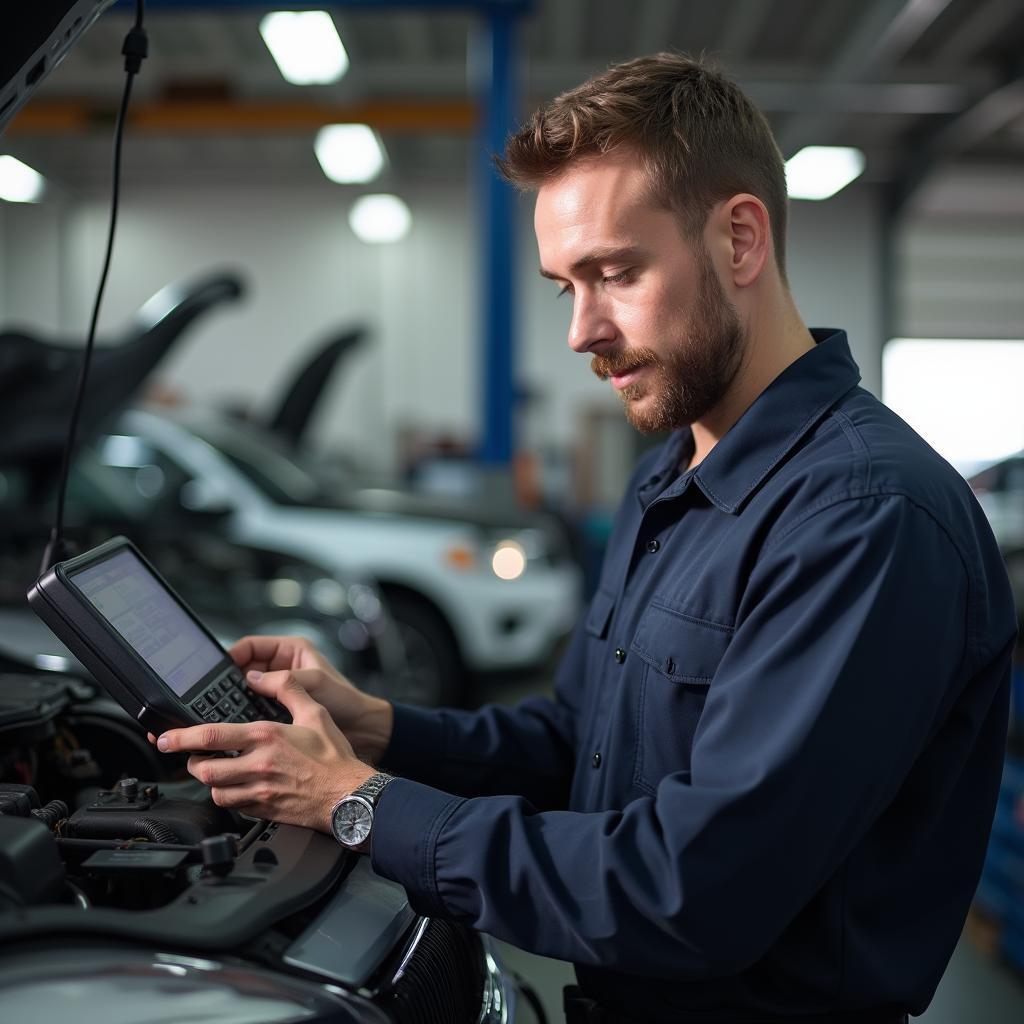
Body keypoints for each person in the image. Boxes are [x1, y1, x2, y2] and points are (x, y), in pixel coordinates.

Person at [156, 54, 1017, 1023]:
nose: (581, 330)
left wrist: (357, 802)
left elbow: (687, 890)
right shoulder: (673, 471)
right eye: (565, 284)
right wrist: (376, 729)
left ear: (739, 239)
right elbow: (580, 743)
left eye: (614, 273)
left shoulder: (863, 519)